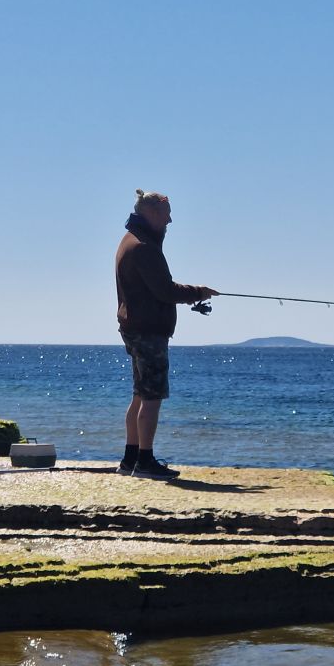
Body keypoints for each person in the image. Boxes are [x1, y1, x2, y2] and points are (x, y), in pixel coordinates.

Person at [115, 189, 218, 480]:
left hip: (135, 328)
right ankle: (145, 463)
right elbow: (165, 290)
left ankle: (130, 459)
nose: (170, 220)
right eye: (167, 214)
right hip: (148, 332)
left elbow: (158, 287)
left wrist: (192, 292)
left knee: (139, 394)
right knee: (151, 397)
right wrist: (198, 292)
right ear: (152, 212)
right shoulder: (143, 247)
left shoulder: (131, 241)